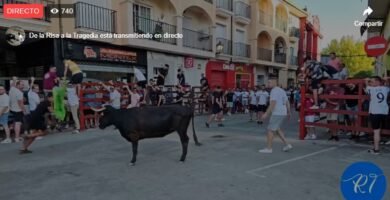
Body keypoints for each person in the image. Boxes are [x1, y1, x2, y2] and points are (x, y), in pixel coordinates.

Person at [259, 76, 292, 153]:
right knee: (277, 129)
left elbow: (273, 103)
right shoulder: (281, 90)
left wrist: (266, 114)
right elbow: (287, 101)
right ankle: (287, 144)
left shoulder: (274, 91)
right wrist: (289, 111)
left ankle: (269, 148)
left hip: (277, 112)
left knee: (270, 129)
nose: (268, 84)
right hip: (282, 112)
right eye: (268, 82)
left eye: (269, 82)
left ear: (275, 82)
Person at [365, 76, 389, 155]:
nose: (371, 83)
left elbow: (366, 88)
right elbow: (387, 84)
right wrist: (386, 80)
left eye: (372, 81)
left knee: (376, 132)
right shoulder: (386, 88)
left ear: (377, 82)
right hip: (385, 112)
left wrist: (366, 81)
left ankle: (376, 149)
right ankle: (376, 147)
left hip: (375, 113)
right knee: (380, 131)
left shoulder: (371, 89)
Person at [9, 77, 26, 143]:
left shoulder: (12, 89)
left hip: (12, 109)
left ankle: (16, 135)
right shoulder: (19, 93)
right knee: (18, 124)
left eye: (23, 84)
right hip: (17, 110)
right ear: (18, 85)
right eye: (22, 84)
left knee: (15, 122)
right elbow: (21, 104)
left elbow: (12, 85)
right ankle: (17, 137)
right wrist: (24, 111)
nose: (23, 85)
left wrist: (14, 80)